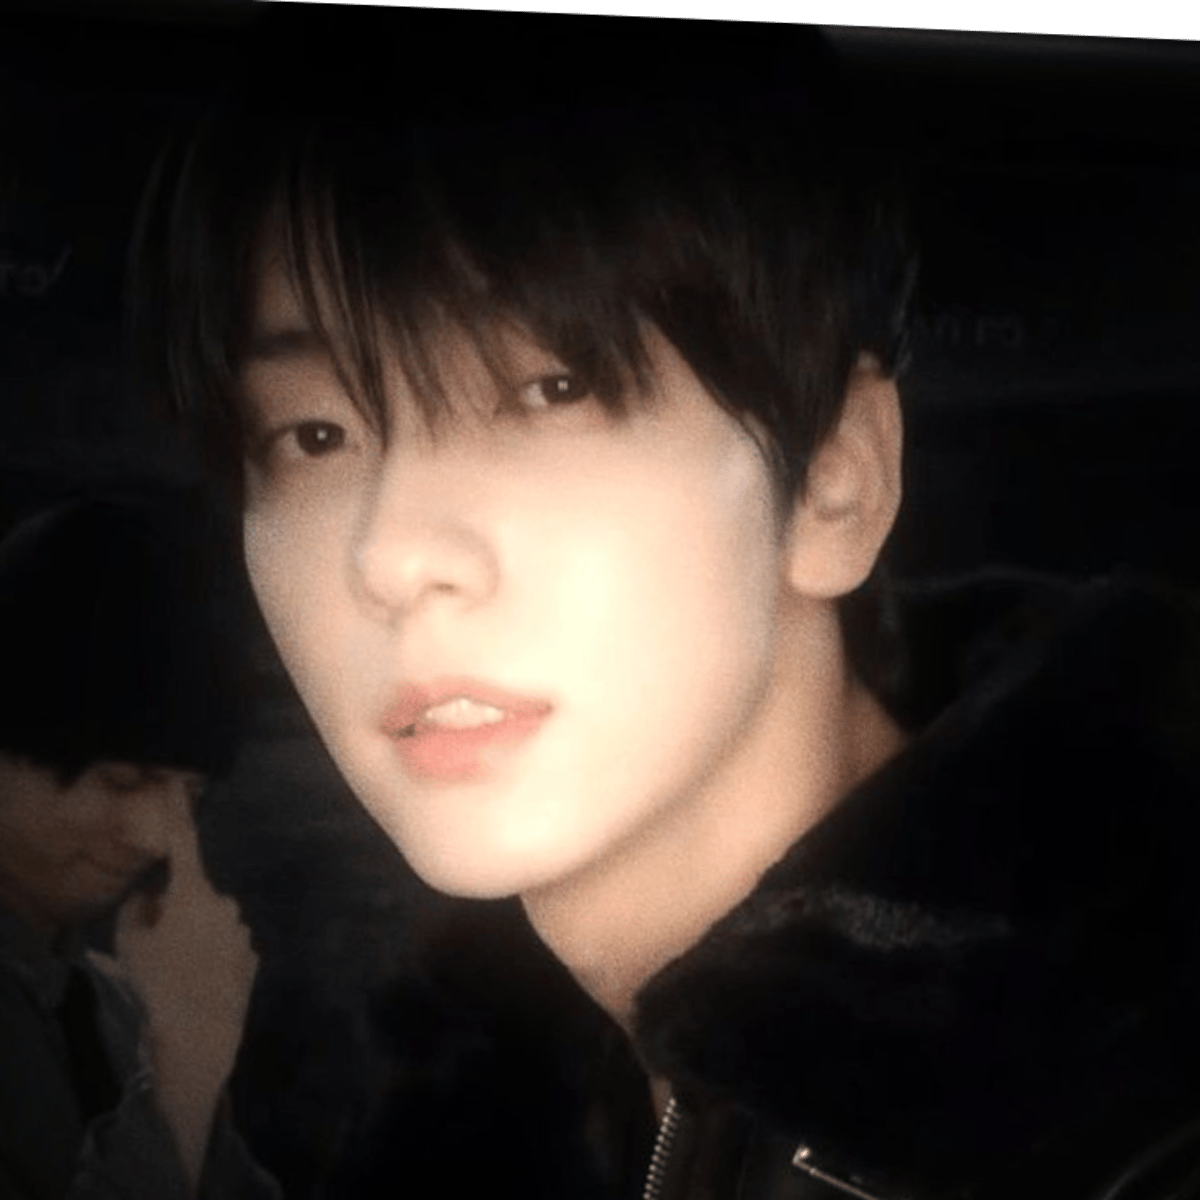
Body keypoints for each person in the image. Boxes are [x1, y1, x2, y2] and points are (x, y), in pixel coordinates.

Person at [130, 6, 1200, 1198]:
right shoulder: (488, 1094)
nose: (390, 554)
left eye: (552, 389)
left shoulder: (1129, 1123)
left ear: (835, 479)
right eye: (314, 434)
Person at [0, 494, 279, 1200]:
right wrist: (183, 1075)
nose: (159, 837)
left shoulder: (118, 1005)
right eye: (123, 782)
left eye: (191, 793)